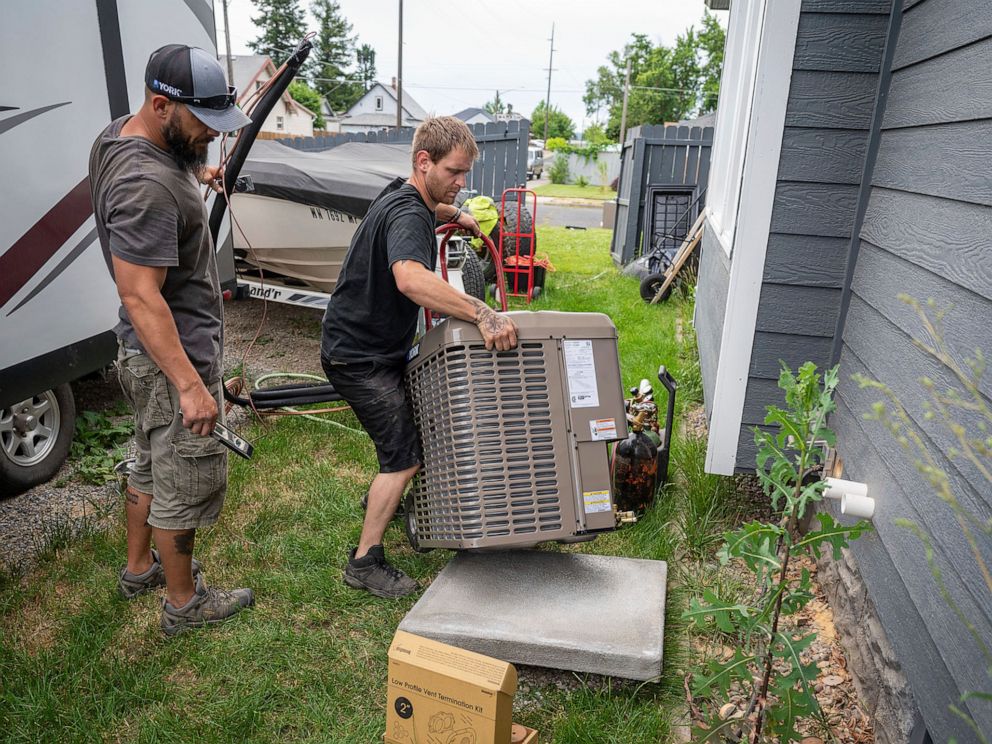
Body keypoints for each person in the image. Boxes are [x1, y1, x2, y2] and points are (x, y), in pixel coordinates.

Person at [89, 44, 254, 635]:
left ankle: (139, 567)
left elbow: (168, 170)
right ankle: (184, 604)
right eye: (202, 126)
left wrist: (195, 173)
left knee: (149, 464)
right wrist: (190, 385)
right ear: (161, 105)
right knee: (183, 479)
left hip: (140, 354)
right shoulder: (147, 184)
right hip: (169, 360)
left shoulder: (122, 137)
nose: (211, 136)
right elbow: (140, 294)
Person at [322, 116, 518, 598]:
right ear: (423, 162)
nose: (461, 182)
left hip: (369, 345)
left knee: (416, 431)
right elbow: (410, 278)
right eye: (454, 172)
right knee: (403, 457)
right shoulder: (409, 213)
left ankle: (384, 504)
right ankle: (365, 561)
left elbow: (423, 209)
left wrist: (453, 214)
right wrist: (482, 312)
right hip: (360, 357)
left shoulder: (403, 196)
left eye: (465, 174)